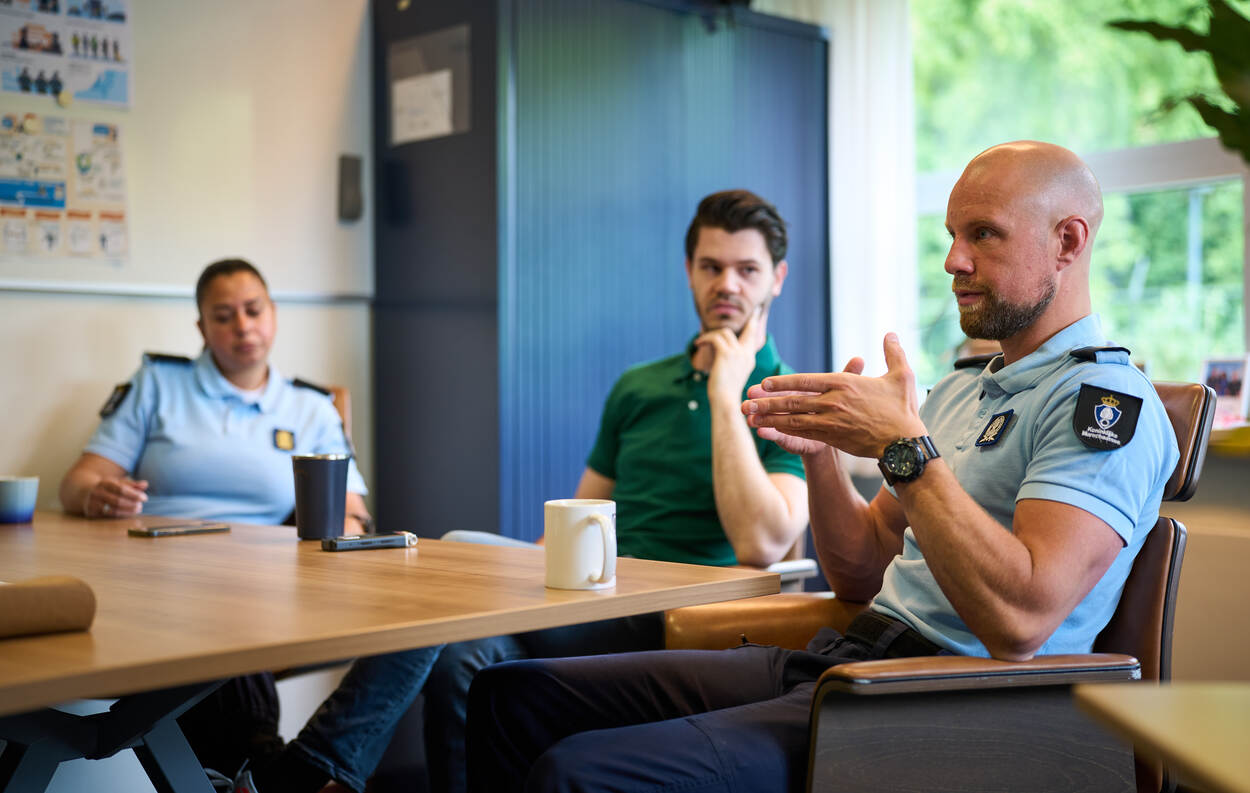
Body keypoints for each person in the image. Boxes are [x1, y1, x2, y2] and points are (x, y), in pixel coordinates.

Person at [464, 141, 1181, 793]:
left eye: (983, 234)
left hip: (934, 699)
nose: (953, 260)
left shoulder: (1106, 402)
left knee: (576, 773)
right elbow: (859, 571)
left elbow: (1021, 622)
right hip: (847, 655)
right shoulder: (966, 385)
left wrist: (905, 449)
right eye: (951, 236)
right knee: (510, 694)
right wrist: (825, 460)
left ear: (1068, 242)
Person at [422, 189, 810, 792]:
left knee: (452, 563)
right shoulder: (638, 386)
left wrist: (724, 392)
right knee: (457, 652)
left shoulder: (789, 395)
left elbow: (763, 542)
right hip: (597, 596)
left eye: (747, 269)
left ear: (777, 279)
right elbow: (576, 519)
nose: (727, 284)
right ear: (689, 272)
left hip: (682, 614)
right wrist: (525, 580)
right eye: (711, 267)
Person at [59, 258, 442, 793]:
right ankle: (271, 771)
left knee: (428, 620)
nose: (242, 327)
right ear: (201, 328)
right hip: (161, 581)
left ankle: (299, 766)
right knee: (219, 615)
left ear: (274, 315)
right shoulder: (158, 385)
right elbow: (76, 483)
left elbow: (352, 510)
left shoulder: (310, 407)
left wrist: (349, 528)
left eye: (253, 310)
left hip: (272, 582)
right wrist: (97, 495)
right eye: (223, 316)